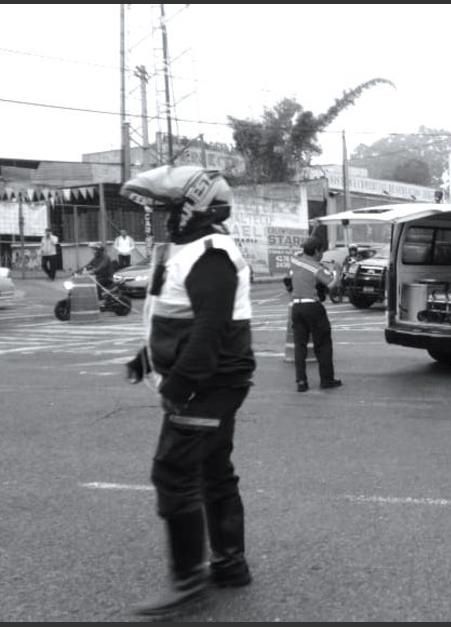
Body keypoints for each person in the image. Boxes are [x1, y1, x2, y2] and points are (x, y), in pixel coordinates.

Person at [120, 165, 256, 617]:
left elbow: (209, 333)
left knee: (173, 472)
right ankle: (229, 563)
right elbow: (171, 314)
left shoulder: (211, 255)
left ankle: (187, 584)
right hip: (209, 380)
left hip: (208, 383)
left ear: (194, 209)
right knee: (213, 468)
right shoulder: (186, 250)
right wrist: (147, 357)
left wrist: (177, 387)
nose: (162, 218)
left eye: (167, 209)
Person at [286, 236, 343, 392]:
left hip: (296, 308)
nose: (322, 255)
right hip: (312, 307)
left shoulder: (295, 260)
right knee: (323, 344)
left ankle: (301, 382)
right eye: (321, 252)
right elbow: (331, 284)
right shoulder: (316, 268)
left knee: (300, 345)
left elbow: (301, 252)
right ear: (316, 251)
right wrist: (337, 273)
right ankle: (326, 380)